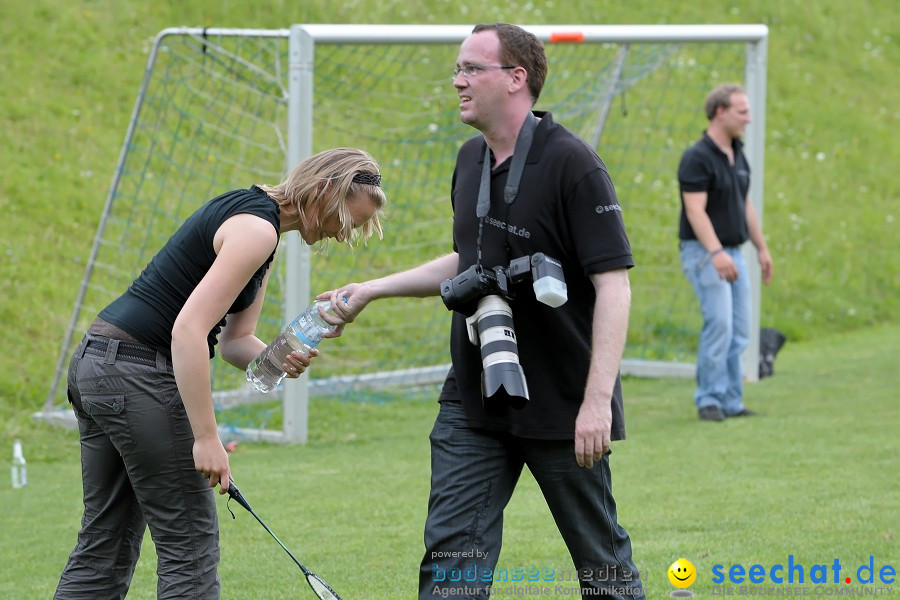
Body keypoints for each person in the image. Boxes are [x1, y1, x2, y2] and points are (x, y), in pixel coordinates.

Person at [319, 23, 644, 600]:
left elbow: (613, 285)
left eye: (471, 69)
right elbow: (467, 260)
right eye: (458, 69)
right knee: (452, 560)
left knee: (602, 566)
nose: (457, 81)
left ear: (516, 78)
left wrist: (597, 402)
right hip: (474, 397)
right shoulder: (469, 160)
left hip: (564, 404)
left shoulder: (574, 163)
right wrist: (371, 289)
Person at [55, 148, 386, 599]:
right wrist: (207, 438)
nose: (342, 234)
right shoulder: (257, 231)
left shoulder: (255, 220)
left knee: (104, 543)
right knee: (189, 548)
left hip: (98, 365)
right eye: (349, 220)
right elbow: (187, 331)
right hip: (137, 374)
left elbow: (234, 342)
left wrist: (281, 356)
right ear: (326, 189)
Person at [677, 83, 773, 422]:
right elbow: (695, 211)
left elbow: (744, 203)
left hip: (734, 252)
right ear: (720, 112)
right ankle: (709, 399)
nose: (748, 118)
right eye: (742, 111)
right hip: (705, 253)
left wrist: (761, 248)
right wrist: (716, 252)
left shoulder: (738, 152)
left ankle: (732, 401)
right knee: (719, 324)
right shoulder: (697, 157)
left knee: (740, 329)